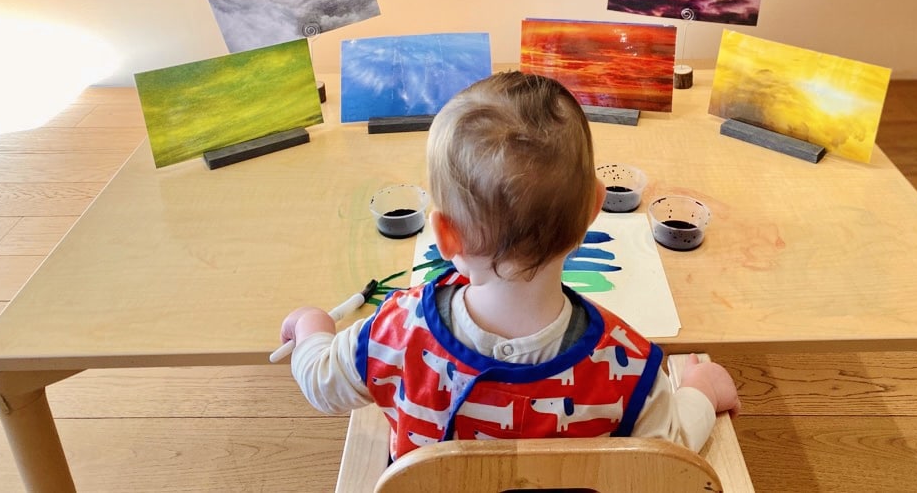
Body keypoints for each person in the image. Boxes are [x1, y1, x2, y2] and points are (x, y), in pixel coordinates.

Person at [280, 70, 740, 460]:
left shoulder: (395, 331)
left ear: (443, 235)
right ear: (593, 209)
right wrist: (702, 390)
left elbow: (323, 383)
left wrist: (311, 326)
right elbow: (671, 447)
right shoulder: (629, 364)